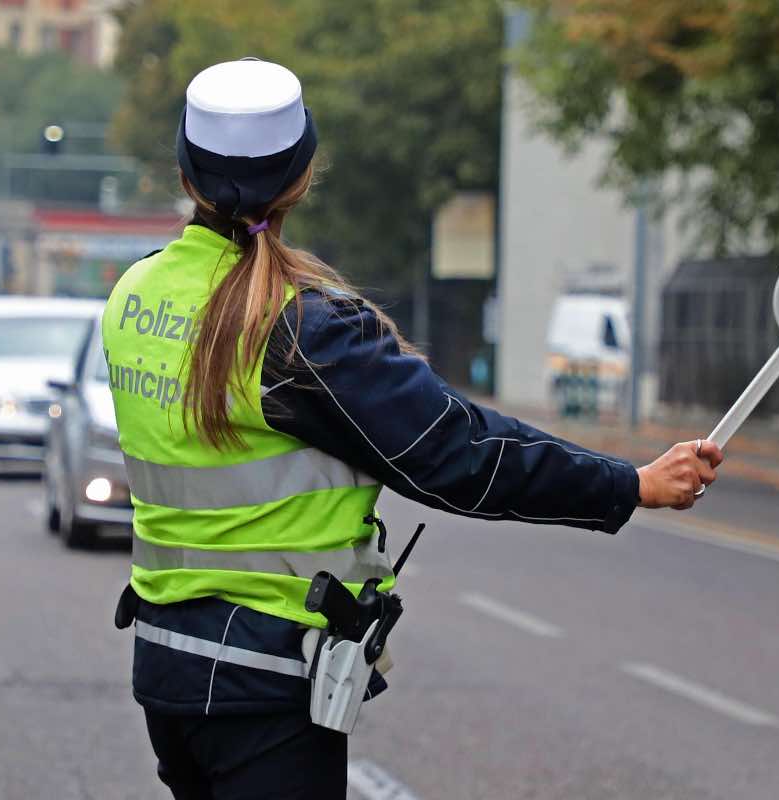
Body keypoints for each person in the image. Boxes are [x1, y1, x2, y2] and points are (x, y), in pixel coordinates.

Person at [102, 58, 723, 800]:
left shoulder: (134, 292)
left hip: (166, 670)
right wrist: (628, 485)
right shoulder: (299, 329)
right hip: (261, 684)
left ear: (184, 171)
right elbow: (457, 455)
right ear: (302, 176)